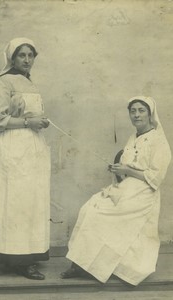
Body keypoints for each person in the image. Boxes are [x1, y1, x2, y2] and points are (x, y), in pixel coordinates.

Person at [60, 96, 171, 286]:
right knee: (90, 208)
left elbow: (156, 177)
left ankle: (112, 267)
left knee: (103, 215)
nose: (136, 115)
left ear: (150, 114)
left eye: (141, 110)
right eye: (133, 111)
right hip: (125, 189)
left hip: (144, 194)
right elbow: (127, 164)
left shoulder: (158, 141)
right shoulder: (133, 137)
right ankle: (83, 264)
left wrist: (127, 170)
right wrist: (118, 170)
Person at [0, 38, 51, 280]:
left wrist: (40, 121)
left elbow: (28, 114)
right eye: (22, 55)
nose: (27, 60)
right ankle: (20, 261)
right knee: (15, 201)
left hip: (32, 147)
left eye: (31, 55)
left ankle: (23, 255)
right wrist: (30, 122)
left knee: (30, 201)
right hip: (12, 147)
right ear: (12, 58)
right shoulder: (4, 82)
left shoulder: (31, 83)